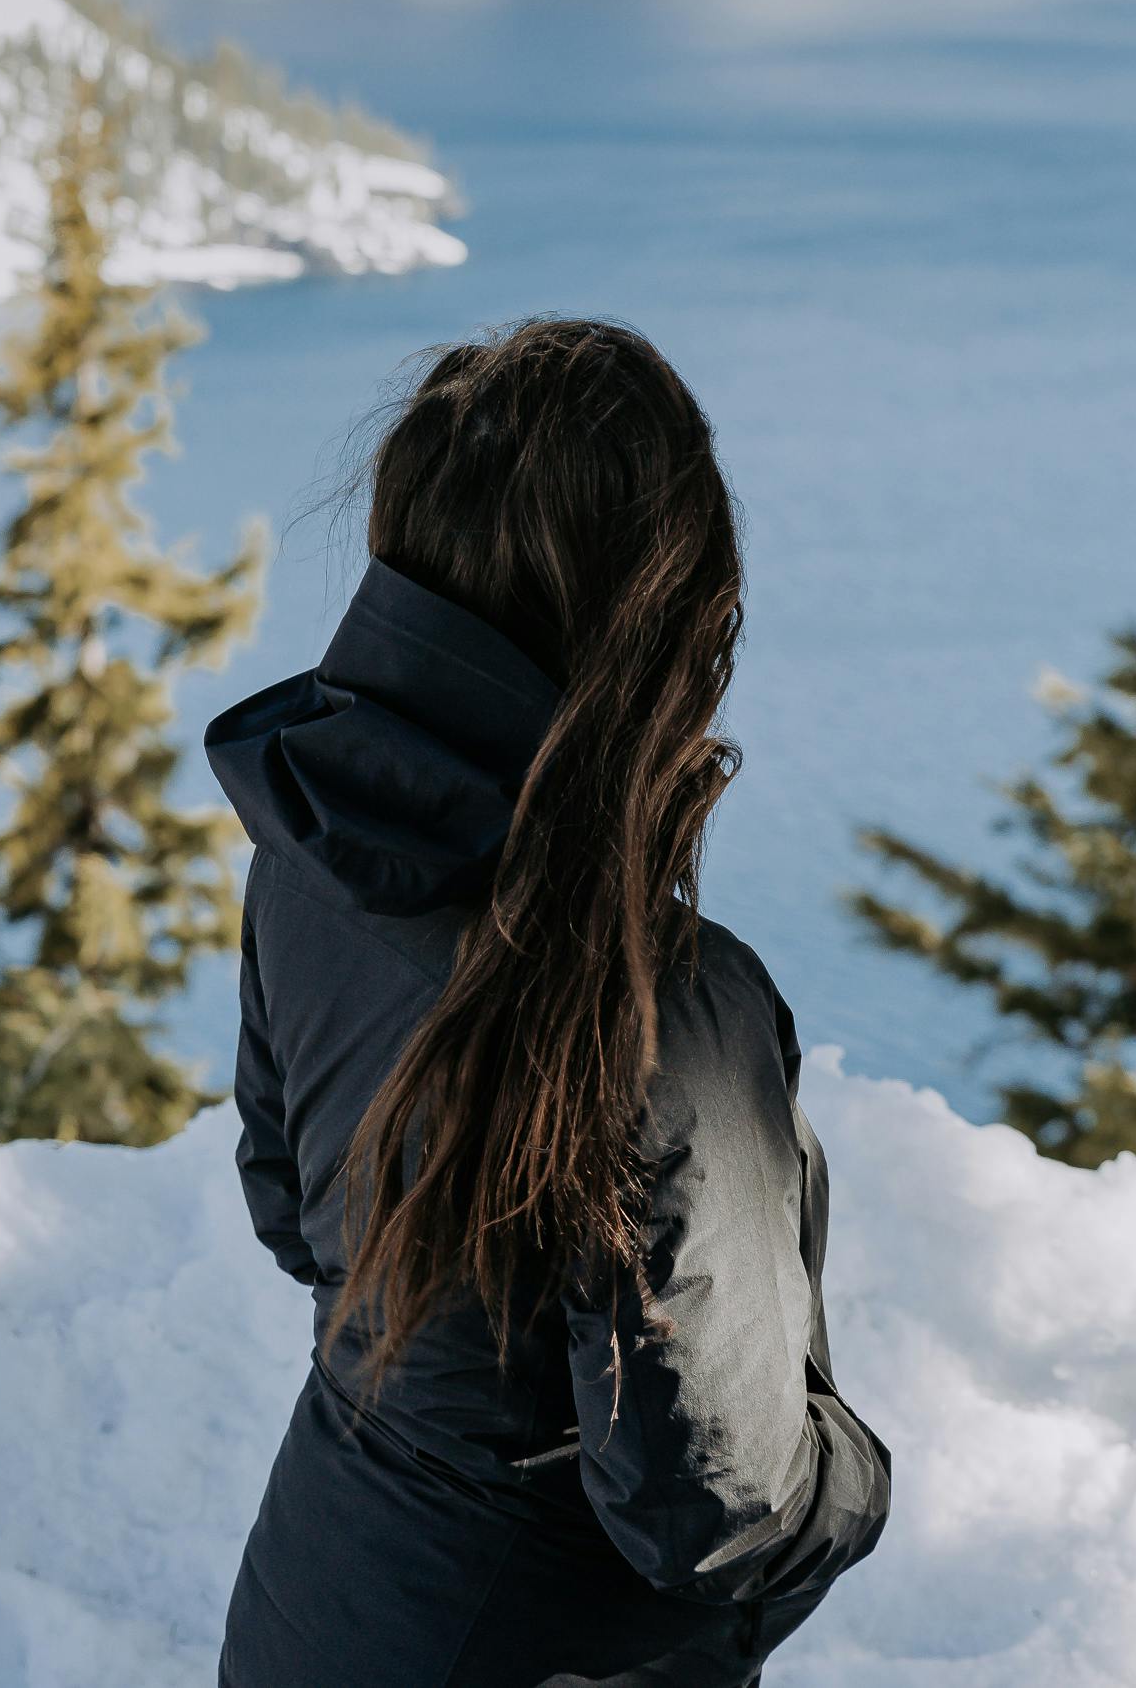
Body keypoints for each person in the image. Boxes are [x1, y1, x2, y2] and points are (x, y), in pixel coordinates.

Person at [205, 317, 891, 1686]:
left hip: (317, 1602)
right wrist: (856, 1476)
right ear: (665, 613)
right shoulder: (665, 1008)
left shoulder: (318, 842)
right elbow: (715, 1505)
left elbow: (296, 1208)